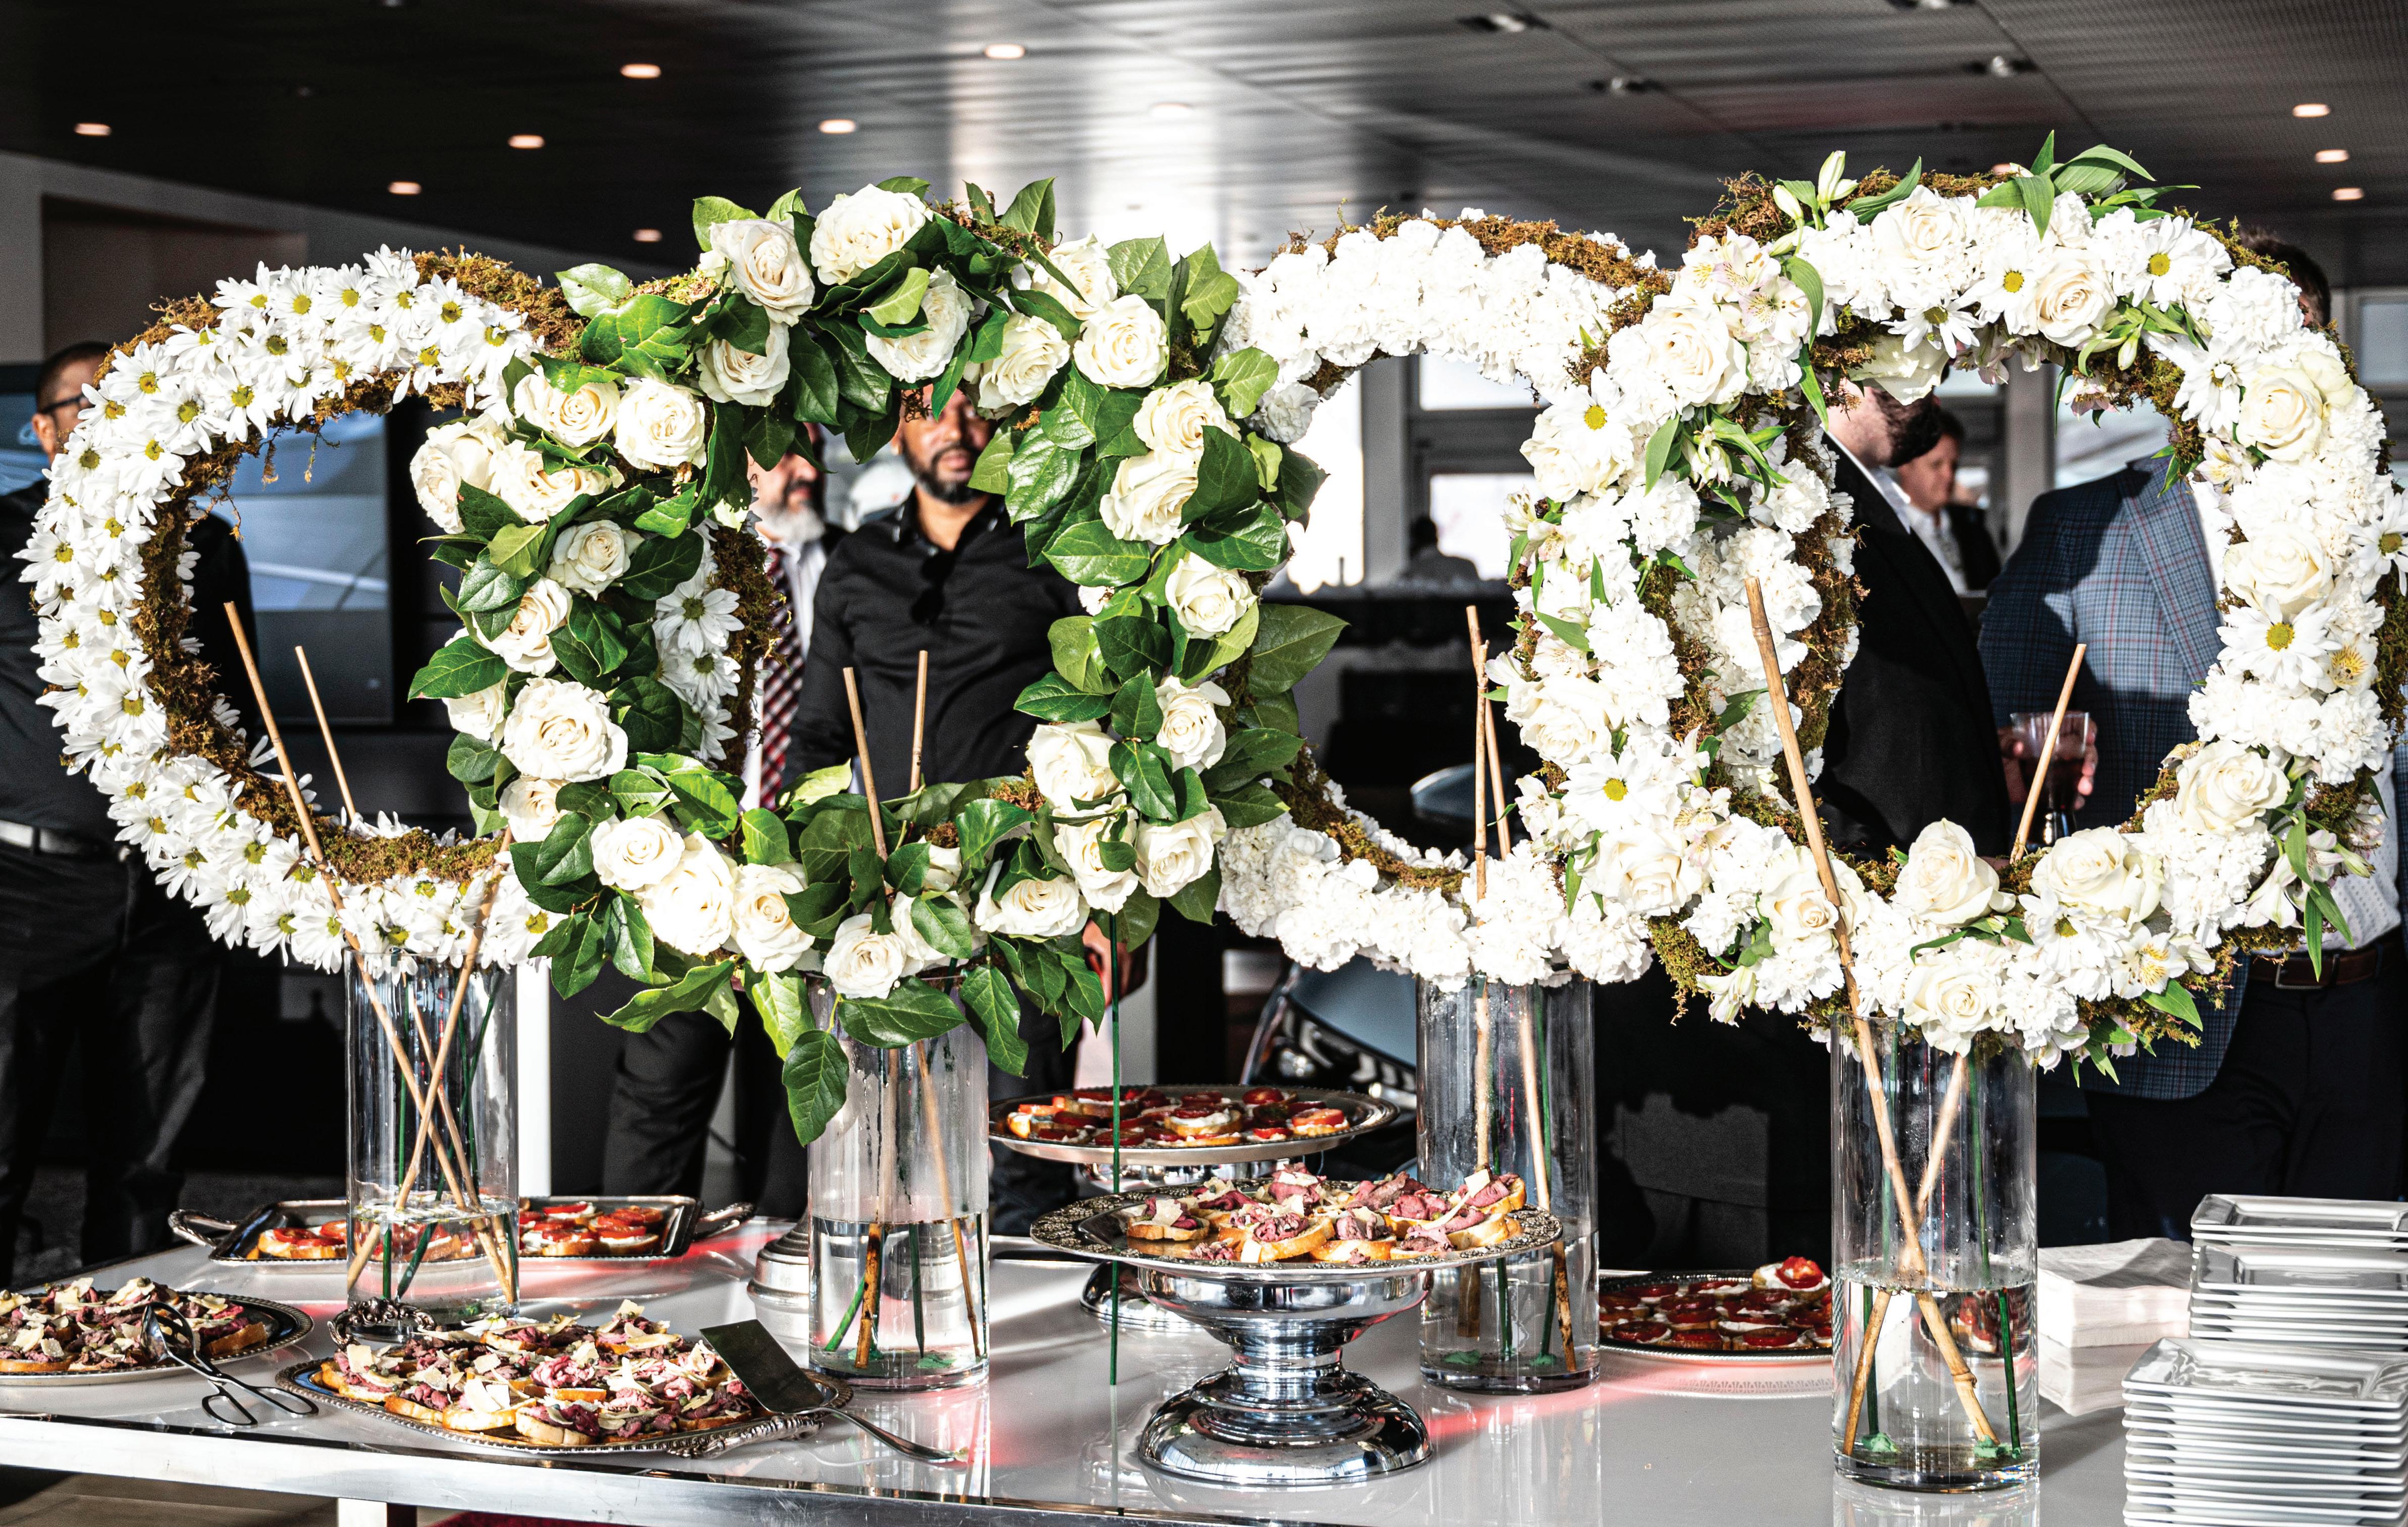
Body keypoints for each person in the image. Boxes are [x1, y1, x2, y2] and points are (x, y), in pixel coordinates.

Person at [1981, 234, 2408, 1237]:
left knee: (2350, 1308)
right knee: (2180, 1303)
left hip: (2365, 1006)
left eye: (2299, 338)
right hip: (2185, 1006)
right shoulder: (2084, 527)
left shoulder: (2379, 530)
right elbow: (2007, 747)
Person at [1596, 379, 2013, 1269]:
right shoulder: (1745, 505)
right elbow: (1715, 769)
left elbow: (1870, 735)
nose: (1942, 364)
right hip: (1759, 1099)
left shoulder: (1848, 499)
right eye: (1913, 334)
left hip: (1842, 1092)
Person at [787, 384, 1137, 1232]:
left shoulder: (1054, 550)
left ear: (1004, 419)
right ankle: (909, 1308)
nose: (954, 427)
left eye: (970, 406)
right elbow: (819, 738)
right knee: (890, 1147)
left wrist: (1114, 913)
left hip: (1028, 892)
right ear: (896, 433)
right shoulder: (857, 563)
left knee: (1026, 1148)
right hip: (889, 896)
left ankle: (1031, 1301)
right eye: (926, 410)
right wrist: (795, 885)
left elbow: (1117, 726)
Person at [0, 342, 252, 1282]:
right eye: (86, 402)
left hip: (167, 889)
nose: (110, 414)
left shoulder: (206, 546)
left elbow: (237, 705)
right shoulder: (2, 536)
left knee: (146, 1168)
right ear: (44, 430)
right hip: (24, 886)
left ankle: (132, 1351)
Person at [599, 434, 845, 1217]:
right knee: (661, 1091)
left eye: (815, 454)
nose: (807, 471)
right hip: (689, 873)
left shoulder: (852, 565)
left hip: (813, 877)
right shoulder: (682, 567)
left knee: (802, 1101)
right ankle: (632, 1263)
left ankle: (787, 1261)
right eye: (787, 456)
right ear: (739, 463)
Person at [1888, 410, 2001, 594]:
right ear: (1904, 464)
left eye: (1954, 465)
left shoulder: (1975, 532)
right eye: (1936, 465)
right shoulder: (1886, 532)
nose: (1949, 476)